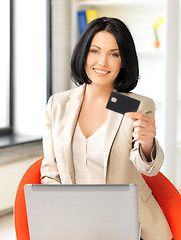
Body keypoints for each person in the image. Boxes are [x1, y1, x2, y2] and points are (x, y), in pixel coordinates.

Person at [41, 17, 173, 240]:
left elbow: (147, 168)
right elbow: (50, 172)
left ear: (123, 62)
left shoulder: (132, 106)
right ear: (83, 54)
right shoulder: (59, 105)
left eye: (114, 54)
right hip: (75, 223)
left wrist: (148, 143)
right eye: (95, 51)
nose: (103, 62)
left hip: (129, 224)